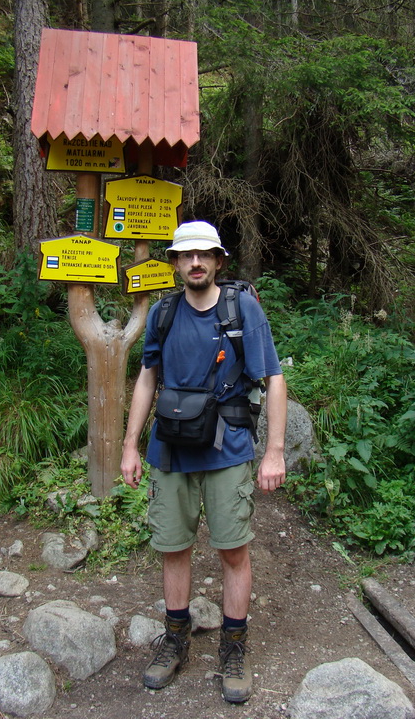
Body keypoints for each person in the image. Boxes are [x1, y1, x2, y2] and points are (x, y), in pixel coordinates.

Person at [120, 220, 287, 703]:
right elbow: (148, 377)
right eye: (186, 255)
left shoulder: (242, 309)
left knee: (233, 549)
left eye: (204, 255)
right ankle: (175, 639)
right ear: (174, 263)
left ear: (218, 261)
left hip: (226, 449)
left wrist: (273, 451)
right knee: (173, 547)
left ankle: (234, 647)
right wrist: (131, 445)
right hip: (169, 448)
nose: (195, 262)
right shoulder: (163, 313)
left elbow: (272, 378)